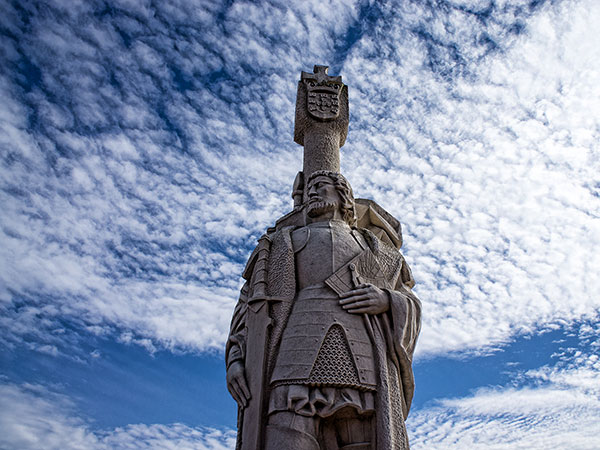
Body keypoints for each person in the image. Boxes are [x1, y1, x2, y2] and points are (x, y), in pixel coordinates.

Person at [226, 171, 421, 450]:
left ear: (344, 196)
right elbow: (249, 308)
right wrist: (236, 359)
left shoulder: (376, 250)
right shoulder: (280, 245)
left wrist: (387, 301)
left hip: (363, 362)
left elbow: (409, 299)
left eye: (320, 187)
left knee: (364, 438)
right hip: (293, 357)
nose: (312, 194)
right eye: (308, 190)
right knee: (283, 437)